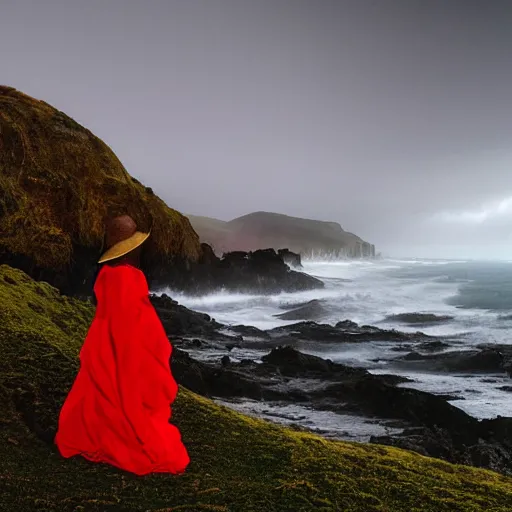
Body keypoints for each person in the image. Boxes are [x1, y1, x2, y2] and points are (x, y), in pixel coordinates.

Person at [54, 215, 190, 475]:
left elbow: (115, 315)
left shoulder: (106, 274)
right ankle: (116, 436)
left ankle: (96, 433)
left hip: (102, 340)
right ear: (131, 247)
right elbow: (134, 320)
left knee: (100, 389)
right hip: (124, 343)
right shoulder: (130, 277)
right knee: (125, 396)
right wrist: (152, 346)